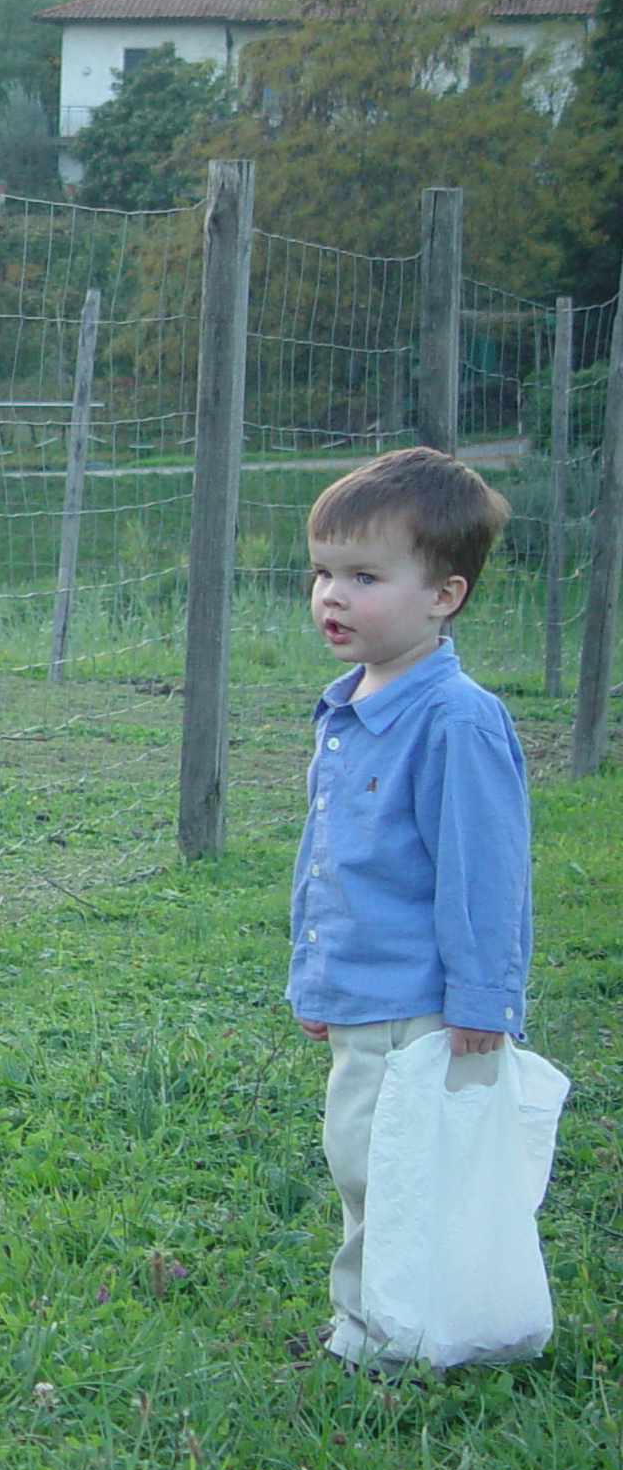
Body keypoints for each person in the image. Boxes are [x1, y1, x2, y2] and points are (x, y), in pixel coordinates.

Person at [289, 446, 530, 1371]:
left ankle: (380, 1334)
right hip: (360, 996)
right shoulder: (349, 703)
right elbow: (331, 864)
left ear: (445, 596)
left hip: (419, 1006)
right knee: (360, 1162)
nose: (331, 596)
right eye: (321, 572)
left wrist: (482, 997)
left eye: (364, 576)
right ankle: (387, 1317)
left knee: (389, 1169)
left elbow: (484, 874)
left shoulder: (455, 719)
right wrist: (314, 979)